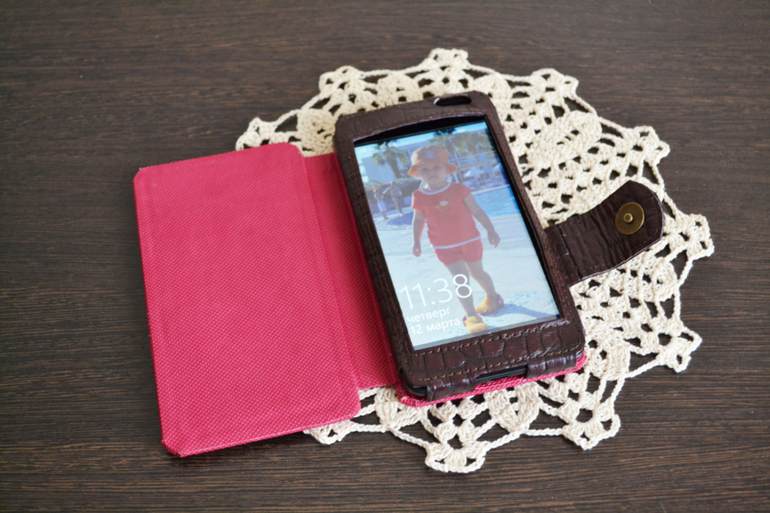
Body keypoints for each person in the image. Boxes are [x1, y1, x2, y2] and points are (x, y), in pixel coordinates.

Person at [409, 146, 503, 334]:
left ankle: (493, 297)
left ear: (446, 169)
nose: (431, 172)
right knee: (460, 279)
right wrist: (416, 241)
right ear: (418, 173)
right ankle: (471, 315)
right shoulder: (419, 196)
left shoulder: (459, 189)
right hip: (444, 246)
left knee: (478, 273)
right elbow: (418, 220)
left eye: (436, 167)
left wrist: (491, 230)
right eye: (425, 169)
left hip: (470, 241)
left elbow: (477, 211)